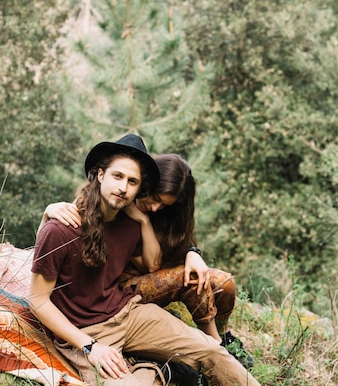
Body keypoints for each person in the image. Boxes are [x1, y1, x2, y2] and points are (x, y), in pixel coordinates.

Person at [30, 133, 335, 386]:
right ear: (99, 174)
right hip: (86, 333)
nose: (123, 187)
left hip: (129, 312)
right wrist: (90, 347)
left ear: (139, 189)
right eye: (118, 176)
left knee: (210, 348)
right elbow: (38, 300)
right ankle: (161, 366)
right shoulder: (61, 226)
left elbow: (152, 264)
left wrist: (160, 232)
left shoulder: (130, 221)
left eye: (132, 182)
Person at [40, 153, 253, 368]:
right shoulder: (117, 199)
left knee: (223, 283)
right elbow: (76, 217)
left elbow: (174, 244)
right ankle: (213, 344)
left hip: (151, 276)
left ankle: (223, 338)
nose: (155, 208)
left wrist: (192, 251)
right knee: (191, 279)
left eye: (164, 205)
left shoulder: (160, 213)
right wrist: (49, 211)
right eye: (155, 199)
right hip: (120, 291)